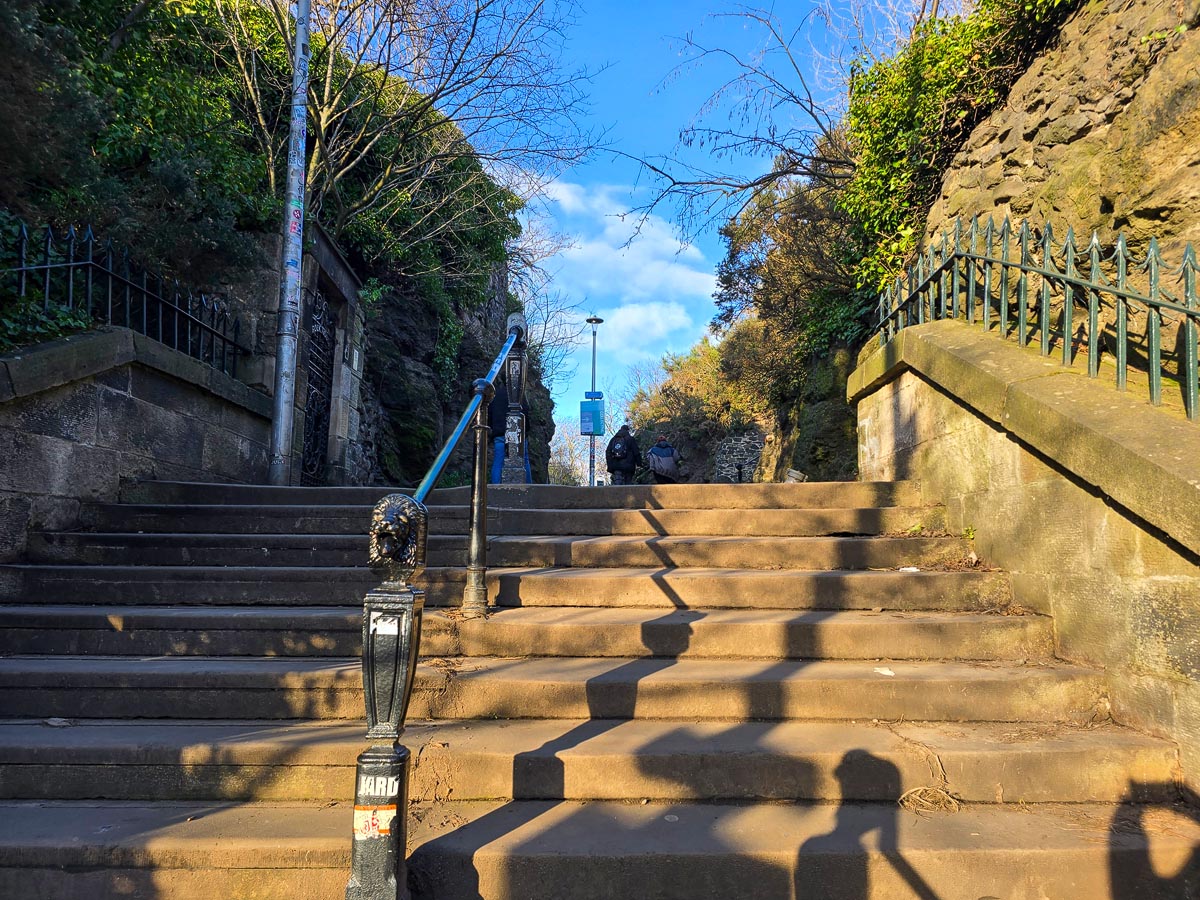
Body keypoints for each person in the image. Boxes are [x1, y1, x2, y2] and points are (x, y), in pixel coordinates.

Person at [488, 382, 531, 483]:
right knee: (524, 460)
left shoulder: (495, 395)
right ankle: (528, 488)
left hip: (500, 433)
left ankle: (496, 487)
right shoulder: (519, 395)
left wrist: (492, 428)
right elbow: (526, 412)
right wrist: (526, 431)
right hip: (518, 432)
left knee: (499, 461)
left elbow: (489, 414)